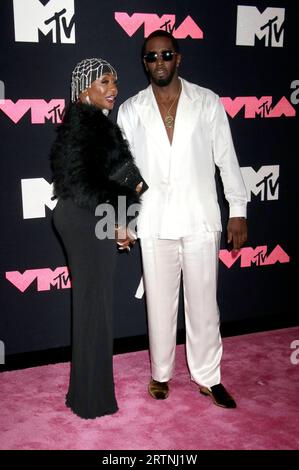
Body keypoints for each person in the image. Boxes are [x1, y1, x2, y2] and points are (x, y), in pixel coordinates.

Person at [117, 31, 248, 408]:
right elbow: (123, 172)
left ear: (179, 58)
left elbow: (227, 157)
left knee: (204, 303)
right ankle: (160, 373)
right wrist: (123, 221)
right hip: (154, 219)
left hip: (200, 216)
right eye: (151, 57)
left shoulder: (207, 102)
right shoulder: (130, 109)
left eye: (166, 54)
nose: (159, 62)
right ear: (144, 63)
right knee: (158, 303)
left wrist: (237, 209)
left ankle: (208, 376)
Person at [50, 58, 147, 419]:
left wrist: (122, 222)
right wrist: (120, 223)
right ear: (84, 87)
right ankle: (91, 400)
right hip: (83, 218)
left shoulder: (93, 123)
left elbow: (125, 180)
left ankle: (86, 393)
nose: (113, 89)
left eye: (115, 82)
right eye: (104, 82)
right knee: (95, 307)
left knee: (95, 306)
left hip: (90, 217)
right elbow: (84, 185)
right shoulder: (85, 123)